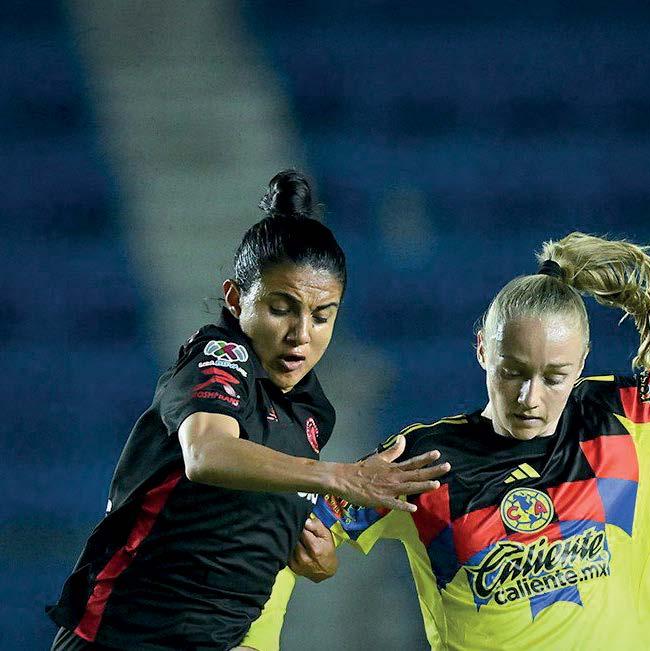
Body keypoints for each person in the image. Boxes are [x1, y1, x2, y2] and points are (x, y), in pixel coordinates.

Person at [245, 141, 650, 650]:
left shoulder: (625, 414)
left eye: (554, 377)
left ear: (582, 362)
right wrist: (261, 633)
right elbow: (282, 536)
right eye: (513, 372)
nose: (530, 397)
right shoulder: (420, 465)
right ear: (482, 349)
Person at [46, 170, 450, 650]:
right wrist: (341, 477)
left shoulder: (312, 410)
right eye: (281, 309)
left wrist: (315, 554)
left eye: (322, 316)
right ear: (236, 300)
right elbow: (207, 455)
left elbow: (256, 508)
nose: (301, 334)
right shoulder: (219, 358)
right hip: (122, 637)